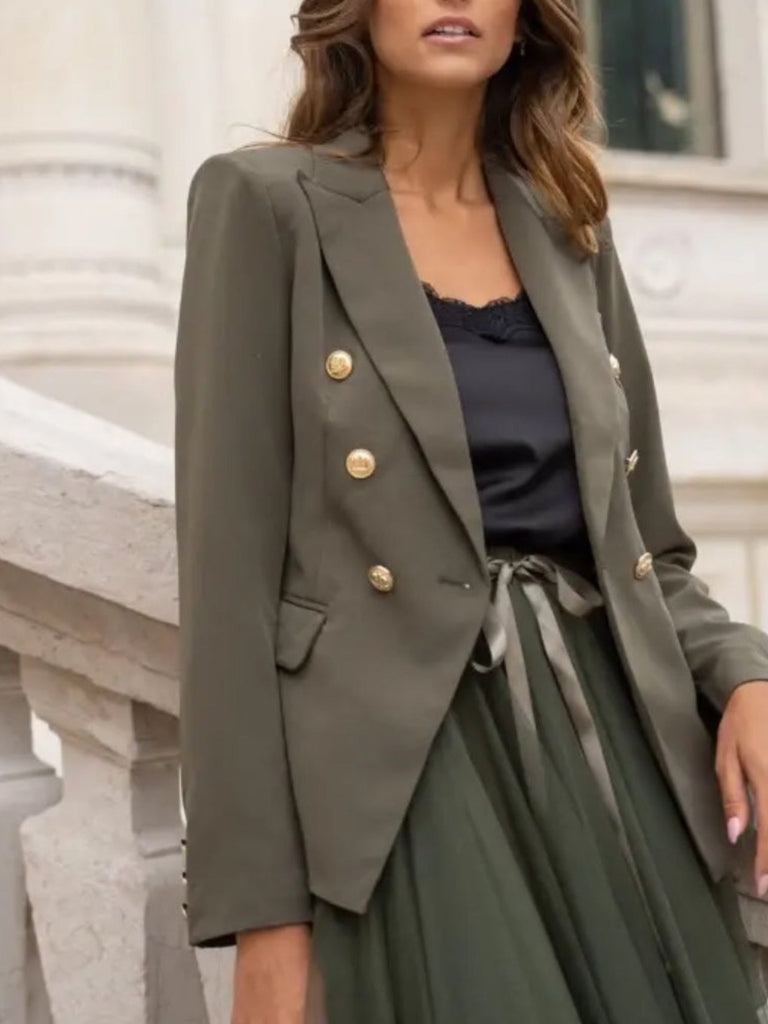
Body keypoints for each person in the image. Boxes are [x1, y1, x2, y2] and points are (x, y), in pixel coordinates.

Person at [173, 1, 768, 1021]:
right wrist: (263, 918)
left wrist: (746, 672)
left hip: (608, 758)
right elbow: (226, 595)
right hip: (406, 780)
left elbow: (644, 546)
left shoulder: (567, 218)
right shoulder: (266, 204)